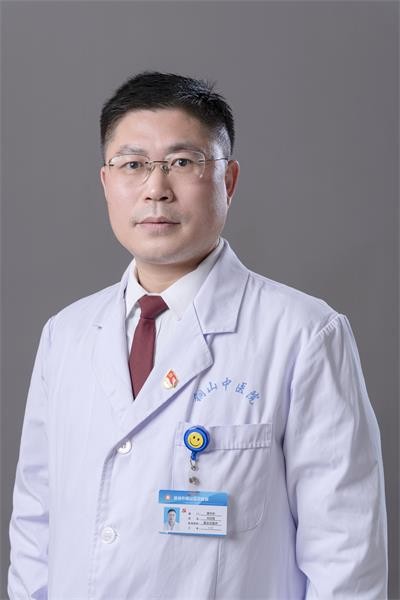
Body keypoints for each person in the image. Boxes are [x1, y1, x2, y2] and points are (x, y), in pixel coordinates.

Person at [8, 71, 387, 599]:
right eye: (133, 165)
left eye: (183, 163)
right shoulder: (65, 335)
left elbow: (345, 554)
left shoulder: (303, 334)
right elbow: (35, 522)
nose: (156, 189)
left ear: (228, 180)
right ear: (106, 183)